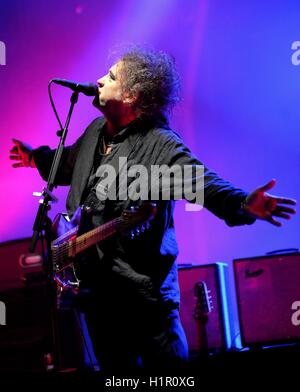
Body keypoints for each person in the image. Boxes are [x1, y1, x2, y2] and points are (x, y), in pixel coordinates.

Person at [9, 47, 296, 373]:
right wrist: (35, 158)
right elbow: (67, 164)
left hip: (145, 302)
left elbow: (203, 182)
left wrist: (244, 203)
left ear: (131, 95)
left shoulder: (160, 143)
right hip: (98, 299)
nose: (99, 80)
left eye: (112, 77)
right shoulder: (94, 133)